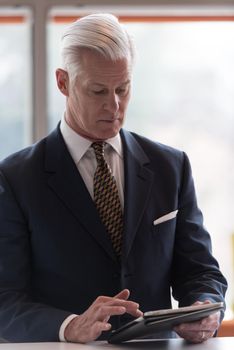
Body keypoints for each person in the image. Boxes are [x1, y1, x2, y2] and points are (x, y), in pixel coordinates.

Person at [0, 13, 227, 344]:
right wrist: (70, 325)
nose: (114, 105)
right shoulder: (16, 178)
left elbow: (201, 271)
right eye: (97, 90)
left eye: (123, 88)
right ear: (63, 82)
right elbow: (4, 301)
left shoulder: (170, 166)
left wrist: (205, 308)